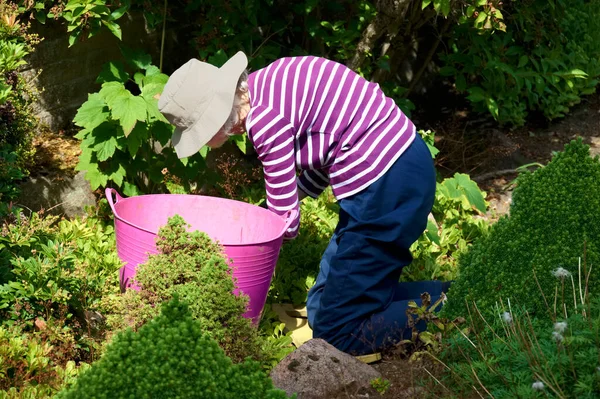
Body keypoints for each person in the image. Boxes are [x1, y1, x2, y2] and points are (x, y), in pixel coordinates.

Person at [158, 51, 450, 355]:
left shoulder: (264, 121)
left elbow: (285, 222)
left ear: (216, 120)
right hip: (396, 171)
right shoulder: (269, 85)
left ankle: (452, 309)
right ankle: (444, 296)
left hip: (389, 186)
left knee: (338, 333)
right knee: (321, 306)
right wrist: (288, 199)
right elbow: (326, 148)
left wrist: (240, 267)